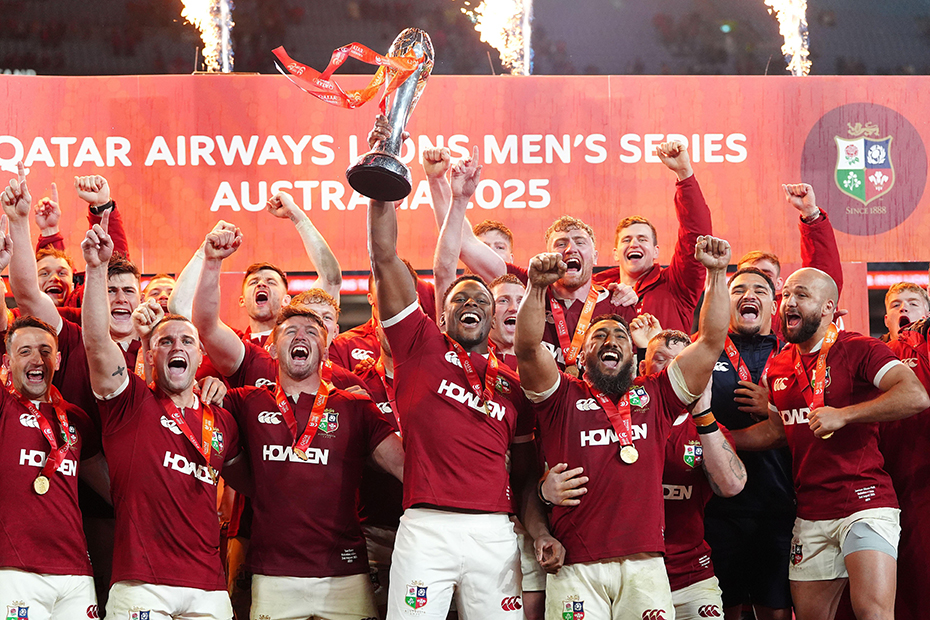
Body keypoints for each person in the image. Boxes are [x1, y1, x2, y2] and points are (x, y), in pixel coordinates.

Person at [515, 235, 732, 619]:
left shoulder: (658, 396)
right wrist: (535, 287)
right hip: (576, 565)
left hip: (645, 566)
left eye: (619, 336)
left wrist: (716, 275)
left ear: (635, 355)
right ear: (582, 357)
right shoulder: (560, 397)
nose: (610, 340)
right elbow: (529, 349)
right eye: (599, 336)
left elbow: (712, 341)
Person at [200, 216, 403, 620]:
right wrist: (210, 262)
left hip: (344, 570)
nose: (301, 337)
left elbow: (408, 467)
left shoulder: (353, 404)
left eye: (313, 332)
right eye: (290, 330)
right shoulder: (245, 400)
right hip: (273, 573)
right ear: (271, 350)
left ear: (327, 351)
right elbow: (205, 326)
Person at [368, 189, 549, 619]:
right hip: (427, 528)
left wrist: (538, 530)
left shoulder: (513, 386)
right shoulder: (419, 344)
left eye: (482, 301)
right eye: (459, 300)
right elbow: (384, 256)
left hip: (495, 532)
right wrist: (381, 190)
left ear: (492, 320)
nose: (471, 304)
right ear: (442, 316)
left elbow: (524, 477)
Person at [732, 267, 929, 620]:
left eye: (802, 295)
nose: (789, 303)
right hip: (810, 513)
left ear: (827, 307)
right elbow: (778, 431)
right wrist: (722, 440)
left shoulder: (859, 348)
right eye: (787, 295)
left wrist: (845, 415)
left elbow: (915, 395)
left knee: (874, 614)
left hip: (865, 503)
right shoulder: (779, 365)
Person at [79, 215, 239, 619]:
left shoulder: (222, 420)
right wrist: (96, 269)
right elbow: (98, 344)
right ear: (149, 357)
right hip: (141, 586)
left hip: (209, 588)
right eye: (164, 341)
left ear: (201, 358)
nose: (175, 347)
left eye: (187, 340)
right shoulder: (128, 403)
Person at [541, 325, 748, 620]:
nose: (677, 366)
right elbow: (540, 475)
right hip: (612, 566)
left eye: (683, 359)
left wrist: (703, 415)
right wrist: (543, 490)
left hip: (688, 576)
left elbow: (731, 486)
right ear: (642, 367)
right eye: (664, 360)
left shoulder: (707, 430)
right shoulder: (594, 416)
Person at [700, 267, 795, 620]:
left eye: (759, 289)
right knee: (724, 609)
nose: (748, 295)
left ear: (775, 304)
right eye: (737, 289)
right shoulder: (704, 352)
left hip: (780, 505)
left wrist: (775, 408)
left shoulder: (795, 356)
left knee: (777, 611)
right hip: (717, 510)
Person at [592, 141, 713, 333]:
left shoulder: (677, 286)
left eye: (642, 239)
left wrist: (684, 174)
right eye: (626, 240)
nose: (634, 244)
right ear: (615, 254)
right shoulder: (595, 292)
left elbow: (696, 236)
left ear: (656, 251)